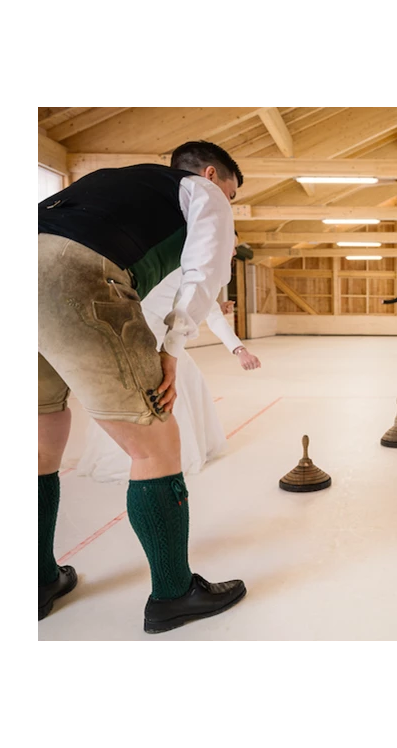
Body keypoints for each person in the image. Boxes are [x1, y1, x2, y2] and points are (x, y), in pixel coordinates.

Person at [38, 140, 250, 633]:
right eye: (232, 194)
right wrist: (172, 349)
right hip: (71, 276)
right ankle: (174, 594)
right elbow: (207, 270)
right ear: (214, 174)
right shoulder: (202, 190)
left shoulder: (114, 180)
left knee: (42, 427)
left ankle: (42, 580)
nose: (229, 204)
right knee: (154, 440)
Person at [75, 233, 261, 484]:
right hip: (155, 341)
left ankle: (145, 452)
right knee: (172, 391)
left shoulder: (173, 262)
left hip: (138, 334)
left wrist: (213, 306)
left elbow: (189, 303)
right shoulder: (203, 269)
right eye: (232, 247)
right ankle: (164, 458)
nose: (234, 253)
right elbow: (208, 315)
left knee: (183, 383)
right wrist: (240, 350)